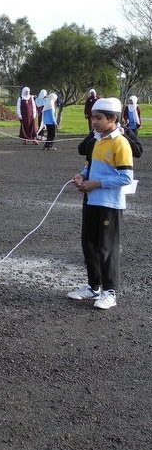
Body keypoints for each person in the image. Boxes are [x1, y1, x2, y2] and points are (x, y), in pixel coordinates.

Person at [68, 98, 134, 310]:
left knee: (107, 248)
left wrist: (96, 183)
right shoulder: (97, 140)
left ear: (113, 119)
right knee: (89, 244)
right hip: (91, 200)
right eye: (92, 118)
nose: (93, 122)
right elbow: (90, 166)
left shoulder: (120, 143)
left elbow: (125, 177)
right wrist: (81, 175)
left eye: (98, 118)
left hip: (110, 204)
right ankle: (93, 286)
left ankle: (110, 292)